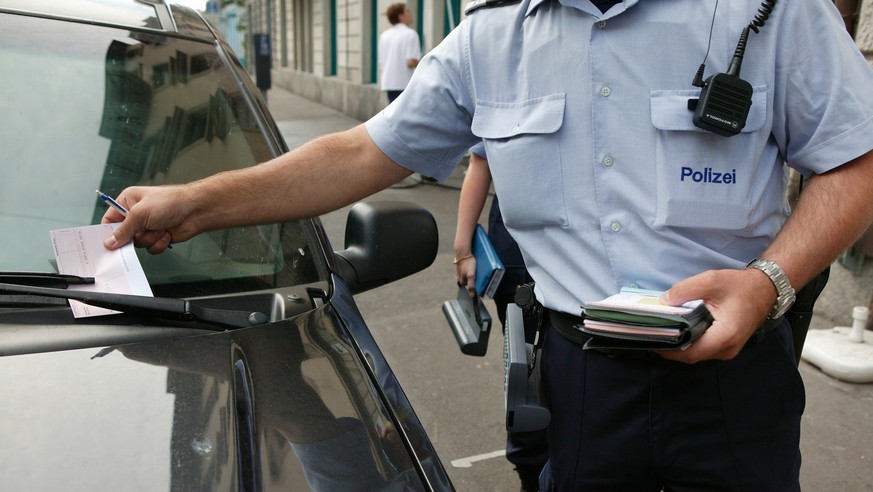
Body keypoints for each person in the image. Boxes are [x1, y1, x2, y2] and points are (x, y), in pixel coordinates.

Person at [103, 1, 873, 490]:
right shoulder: (490, 38)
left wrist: (772, 279)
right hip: (579, 379)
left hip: (733, 381)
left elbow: (856, 159)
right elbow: (362, 153)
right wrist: (199, 200)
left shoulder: (769, 13)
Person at [453, 144, 547, 491]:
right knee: (526, 377)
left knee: (535, 378)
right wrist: (463, 251)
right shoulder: (505, 89)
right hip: (519, 264)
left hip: (570, 259)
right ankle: (531, 474)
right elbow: (481, 161)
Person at [378, 2, 420, 104]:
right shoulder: (410, 34)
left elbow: (382, 61)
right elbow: (410, 62)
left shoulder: (384, 35)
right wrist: (425, 61)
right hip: (404, 83)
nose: (410, 14)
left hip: (389, 83)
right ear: (401, 16)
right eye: (407, 11)